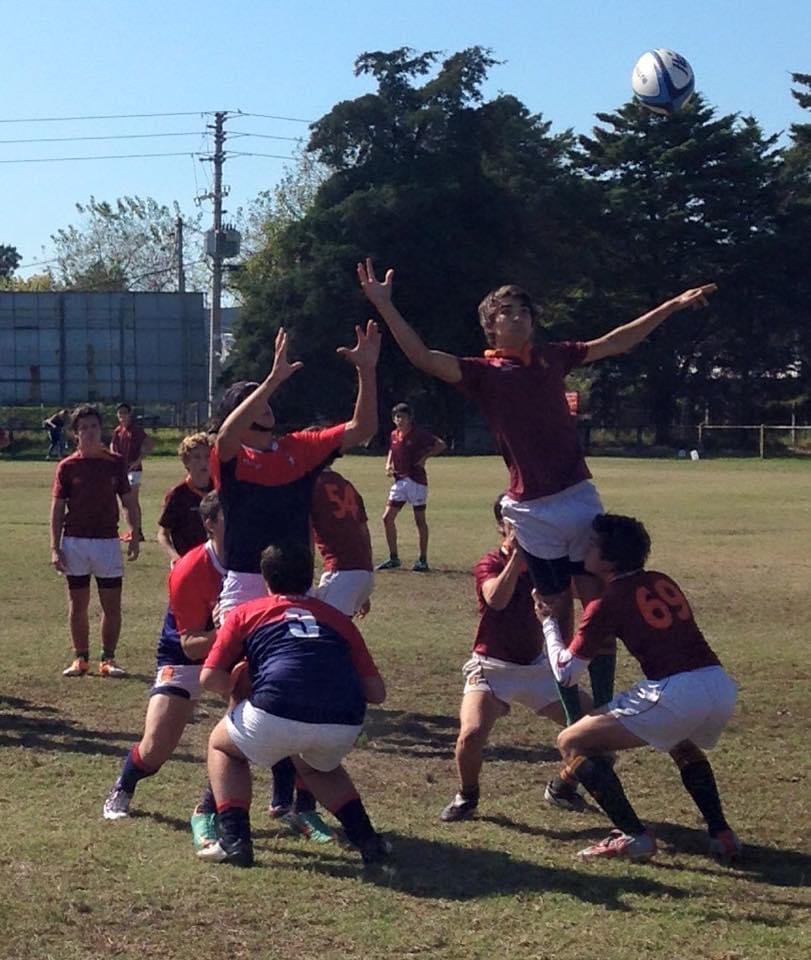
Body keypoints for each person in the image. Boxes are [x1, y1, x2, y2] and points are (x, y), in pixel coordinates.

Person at [357, 259, 716, 775]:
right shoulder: (482, 373)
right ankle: (578, 725)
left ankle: (601, 707)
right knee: (555, 611)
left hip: (577, 495)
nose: (519, 316)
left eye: (524, 310)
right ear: (491, 326)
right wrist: (385, 305)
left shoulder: (553, 356)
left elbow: (616, 341)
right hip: (530, 510)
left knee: (600, 599)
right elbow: (422, 357)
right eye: (507, 312)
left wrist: (672, 306)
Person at [211, 322, 380, 840]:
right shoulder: (233, 458)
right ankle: (223, 810)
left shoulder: (298, 449)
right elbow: (225, 437)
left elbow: (362, 429)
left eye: (266, 399)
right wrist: (270, 380)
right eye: (253, 400)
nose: (265, 404)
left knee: (290, 689)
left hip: (292, 588)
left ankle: (288, 803)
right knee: (244, 695)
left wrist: (368, 372)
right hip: (246, 584)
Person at [539, 513, 741, 863]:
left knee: (571, 741)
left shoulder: (608, 601)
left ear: (609, 560)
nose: (585, 549)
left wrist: (548, 624)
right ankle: (721, 833)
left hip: (676, 689)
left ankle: (635, 835)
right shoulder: (661, 579)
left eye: (593, 545)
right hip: (717, 683)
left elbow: (566, 673)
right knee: (678, 740)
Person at [198, 541, 390, 869]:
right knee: (316, 766)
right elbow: (376, 692)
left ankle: (235, 839)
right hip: (343, 718)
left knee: (223, 748)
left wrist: (241, 687)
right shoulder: (338, 620)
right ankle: (367, 840)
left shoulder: (247, 612)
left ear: (266, 579)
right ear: (310, 579)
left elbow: (209, 678)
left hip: (277, 706)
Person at [441, 497, 590, 822]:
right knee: (471, 734)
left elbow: (574, 595)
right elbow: (496, 599)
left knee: (598, 728)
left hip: (537, 668)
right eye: (515, 525)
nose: (523, 532)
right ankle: (467, 795)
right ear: (501, 527)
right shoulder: (490, 562)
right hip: (492, 667)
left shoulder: (546, 564)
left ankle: (563, 785)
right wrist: (518, 557)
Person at [102, 491, 226, 851]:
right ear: (209, 524)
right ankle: (124, 786)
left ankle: (275, 804)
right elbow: (190, 645)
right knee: (155, 747)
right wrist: (228, 629)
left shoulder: (252, 562)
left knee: (254, 731)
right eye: (230, 518)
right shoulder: (191, 568)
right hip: (184, 656)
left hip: (233, 656)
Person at [51, 404, 141, 678]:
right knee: (77, 605)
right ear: (75, 434)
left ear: (101, 429)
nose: (89, 432)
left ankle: (108, 659)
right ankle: (80, 658)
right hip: (75, 542)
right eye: (83, 428)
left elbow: (128, 501)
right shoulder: (67, 467)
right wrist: (55, 547)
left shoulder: (114, 463)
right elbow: (58, 508)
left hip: (107, 542)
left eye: (93, 426)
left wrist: (134, 532)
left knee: (111, 605)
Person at [377, 402, 446, 572]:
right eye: (397, 417)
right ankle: (394, 558)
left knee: (419, 520)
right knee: (387, 518)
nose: (399, 420)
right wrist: (388, 464)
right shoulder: (394, 434)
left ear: (410, 419)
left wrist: (425, 458)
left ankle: (422, 560)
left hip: (416, 481)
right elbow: (392, 450)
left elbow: (441, 444)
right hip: (399, 482)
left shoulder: (419, 434)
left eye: (402, 417)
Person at [310, 450, 374, 618]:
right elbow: (363, 531)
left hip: (342, 572)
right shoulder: (345, 484)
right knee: (337, 630)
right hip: (363, 571)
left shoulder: (311, 486)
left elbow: (306, 536)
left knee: (321, 628)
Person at [156, 433, 213, 564]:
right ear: (186, 461)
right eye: (197, 457)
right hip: (188, 562)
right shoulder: (177, 494)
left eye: (207, 456)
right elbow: (163, 534)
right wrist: (175, 557)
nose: (203, 462)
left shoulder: (219, 490)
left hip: (216, 563)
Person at [110, 402, 154, 543]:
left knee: (132, 500)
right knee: (125, 502)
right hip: (121, 470)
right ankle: (132, 531)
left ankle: (137, 532)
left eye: (125, 412)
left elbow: (150, 444)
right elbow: (113, 446)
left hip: (133, 471)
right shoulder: (118, 431)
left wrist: (138, 460)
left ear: (130, 414)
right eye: (120, 413)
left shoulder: (136, 430)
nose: (122, 416)